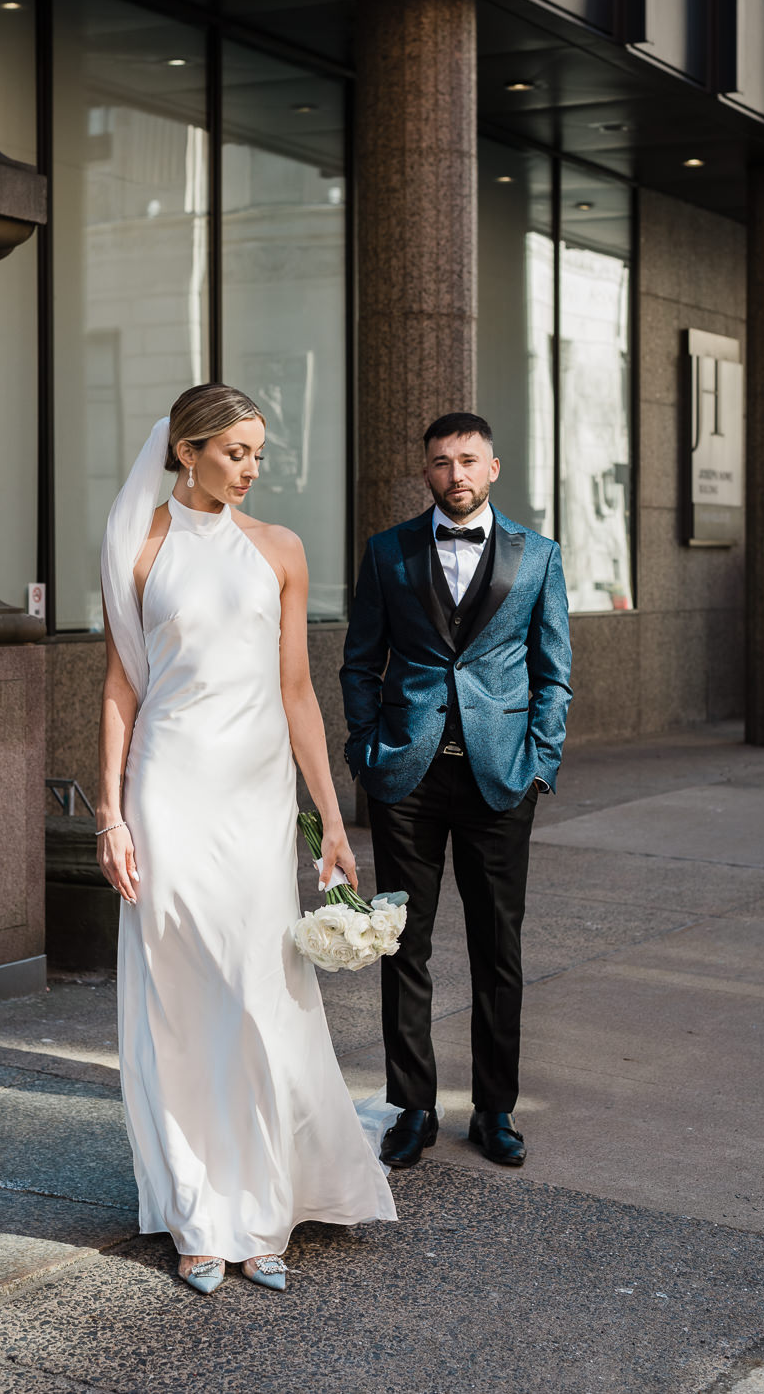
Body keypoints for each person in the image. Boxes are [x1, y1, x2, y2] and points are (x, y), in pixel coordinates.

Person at [97, 382, 395, 1296]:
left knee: (263, 994)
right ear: (186, 451)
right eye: (237, 453)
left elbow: (298, 690)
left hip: (258, 798)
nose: (253, 470)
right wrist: (109, 813)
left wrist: (333, 821)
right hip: (170, 789)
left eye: (260, 453)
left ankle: (264, 1209)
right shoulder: (137, 543)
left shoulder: (280, 550)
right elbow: (120, 685)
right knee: (180, 1000)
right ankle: (197, 1213)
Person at [340, 411, 572, 1171]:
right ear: (426, 471)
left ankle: (496, 1110)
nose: (456, 475)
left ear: (493, 468)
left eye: (468, 460)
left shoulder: (536, 556)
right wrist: (369, 749)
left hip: (499, 779)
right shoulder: (386, 552)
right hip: (406, 779)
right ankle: (413, 1107)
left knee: (496, 950)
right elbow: (358, 661)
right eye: (441, 463)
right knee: (403, 946)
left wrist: (539, 761)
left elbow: (552, 671)